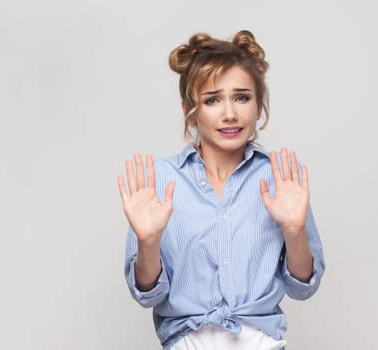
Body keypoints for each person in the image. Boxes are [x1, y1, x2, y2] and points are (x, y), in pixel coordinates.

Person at [117, 30, 325, 350]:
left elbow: (303, 288)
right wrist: (148, 242)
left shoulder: (279, 178)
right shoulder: (158, 180)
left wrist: (295, 230)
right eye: (212, 100)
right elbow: (149, 294)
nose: (229, 113)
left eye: (241, 97)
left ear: (259, 105)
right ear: (191, 108)